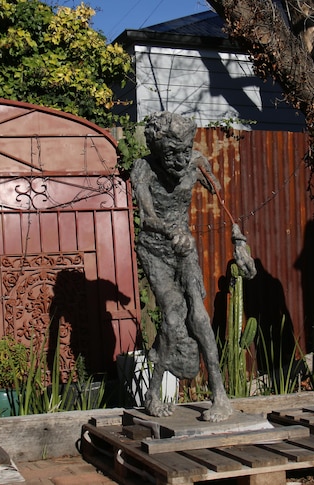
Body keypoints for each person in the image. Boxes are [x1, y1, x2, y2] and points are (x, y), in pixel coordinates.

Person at [131, 111, 255, 422]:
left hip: (184, 248)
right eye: (172, 153)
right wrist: (169, 230)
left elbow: (220, 198)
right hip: (155, 250)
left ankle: (219, 395)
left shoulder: (195, 161)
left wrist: (237, 237)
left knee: (199, 316)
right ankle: (153, 391)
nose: (179, 159)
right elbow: (146, 219)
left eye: (185, 151)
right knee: (173, 317)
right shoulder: (143, 169)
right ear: (158, 149)